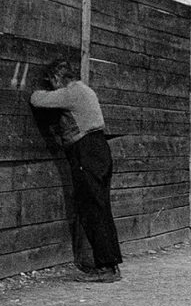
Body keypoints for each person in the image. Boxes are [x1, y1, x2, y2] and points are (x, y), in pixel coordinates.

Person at [30, 59, 123, 283]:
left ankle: (106, 269)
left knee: (92, 208)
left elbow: (37, 99)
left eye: (52, 81)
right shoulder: (86, 90)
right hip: (99, 149)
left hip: (86, 151)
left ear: (57, 78)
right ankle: (110, 264)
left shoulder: (71, 93)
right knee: (100, 206)